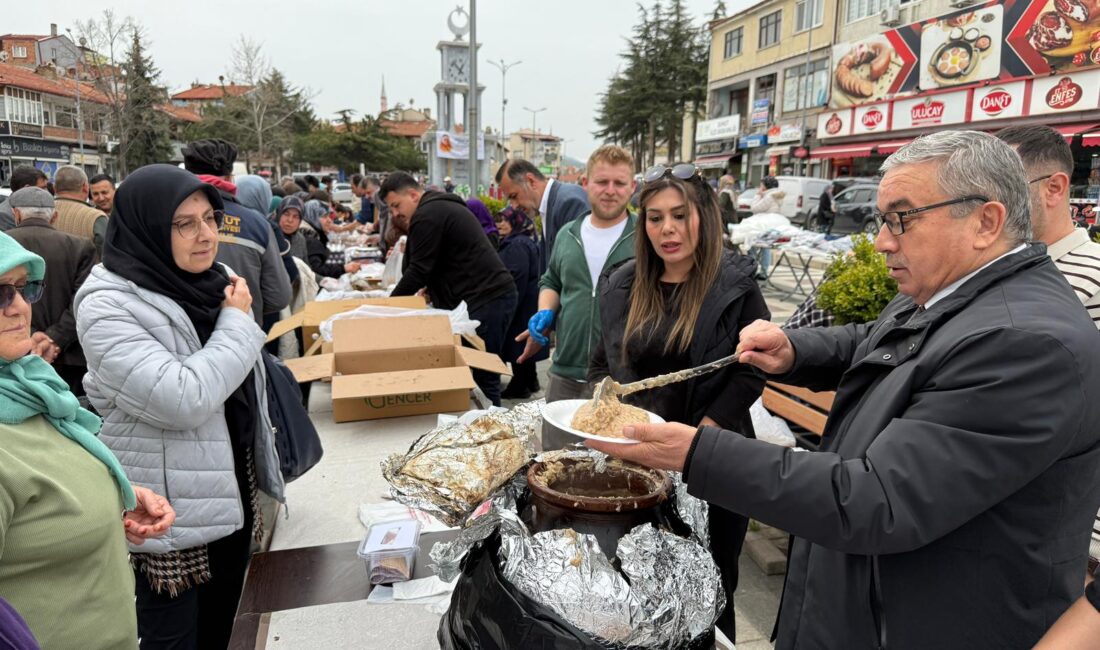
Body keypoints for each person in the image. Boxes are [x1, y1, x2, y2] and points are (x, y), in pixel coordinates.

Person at [588, 131, 1100, 649]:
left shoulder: (1024, 344)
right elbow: (879, 343)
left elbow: (877, 499)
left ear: (985, 222)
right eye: (882, 219)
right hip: (859, 602)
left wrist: (698, 453)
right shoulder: (943, 293)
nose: (881, 240)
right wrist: (794, 349)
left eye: (902, 218)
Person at [74, 164, 285, 649]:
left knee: (225, 629)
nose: (206, 234)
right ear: (146, 226)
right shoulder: (107, 304)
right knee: (173, 638)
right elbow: (182, 399)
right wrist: (236, 324)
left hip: (231, 490)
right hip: (170, 512)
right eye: (184, 223)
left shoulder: (220, 281)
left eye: (210, 218)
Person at [589, 163, 768, 642]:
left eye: (679, 215)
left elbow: (752, 369)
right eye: (654, 217)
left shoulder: (735, 286)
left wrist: (702, 439)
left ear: (704, 217)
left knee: (710, 587)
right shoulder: (622, 286)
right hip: (638, 462)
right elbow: (601, 367)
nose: (666, 229)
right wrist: (604, 421)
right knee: (639, 587)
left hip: (714, 462)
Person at [0, 229, 175, 649]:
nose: (20, 307)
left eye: (23, 289)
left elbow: (35, 491)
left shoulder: (25, 388)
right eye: (0, 294)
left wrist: (109, 497)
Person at [997, 124, 1100, 580]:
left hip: (1068, 540)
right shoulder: (1006, 272)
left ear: (1055, 188)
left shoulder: (1090, 281)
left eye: (1003, 188)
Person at [516, 145, 637, 449]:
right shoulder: (568, 233)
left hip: (621, 379)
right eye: (602, 182)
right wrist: (544, 312)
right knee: (556, 462)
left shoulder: (644, 238)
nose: (610, 191)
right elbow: (552, 279)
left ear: (632, 188)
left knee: (616, 469)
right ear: (585, 184)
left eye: (619, 183)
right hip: (565, 371)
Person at [383, 172, 517, 406]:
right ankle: (482, 423)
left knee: (484, 373)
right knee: (477, 373)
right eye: (391, 209)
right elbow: (433, 263)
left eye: (396, 205)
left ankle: (494, 431)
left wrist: (388, 309)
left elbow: (418, 270)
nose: (395, 213)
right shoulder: (435, 209)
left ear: (413, 195)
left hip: (487, 298)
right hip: (485, 297)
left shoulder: (428, 214)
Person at [182, 139, 292, 327]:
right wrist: (248, 307)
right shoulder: (257, 224)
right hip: (244, 337)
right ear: (230, 178)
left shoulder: (167, 220)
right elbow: (279, 297)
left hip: (180, 346)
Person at [5, 187, 96, 396]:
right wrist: (53, 338)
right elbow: (83, 301)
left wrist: (33, 337)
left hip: (15, 354)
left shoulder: (6, 247)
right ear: (54, 216)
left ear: (16, 214)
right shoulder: (80, 246)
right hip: (70, 357)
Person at [496, 159, 590, 272]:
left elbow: (578, 271)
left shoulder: (568, 203)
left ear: (531, 181)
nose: (514, 206)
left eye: (514, 196)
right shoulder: (551, 205)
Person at [495, 206, 544, 399]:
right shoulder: (522, 240)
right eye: (499, 220)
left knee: (517, 344)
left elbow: (517, 277)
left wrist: (510, 305)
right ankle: (530, 380)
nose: (501, 224)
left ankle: (520, 385)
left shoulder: (517, 244)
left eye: (506, 220)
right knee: (524, 344)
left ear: (516, 221)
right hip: (527, 301)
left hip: (521, 302)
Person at [275, 196, 359, 279]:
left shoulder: (300, 238)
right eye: (286, 214)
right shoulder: (308, 236)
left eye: (296, 217)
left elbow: (308, 272)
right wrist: (343, 269)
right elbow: (316, 269)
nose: (290, 220)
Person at [52, 166, 108, 260]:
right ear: (85, 187)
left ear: (54, 188)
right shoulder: (96, 217)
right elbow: (107, 257)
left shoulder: (39, 212)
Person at [0, 166, 48, 232]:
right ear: (27, 189)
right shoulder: (4, 215)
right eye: (43, 188)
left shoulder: (41, 207)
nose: (47, 192)